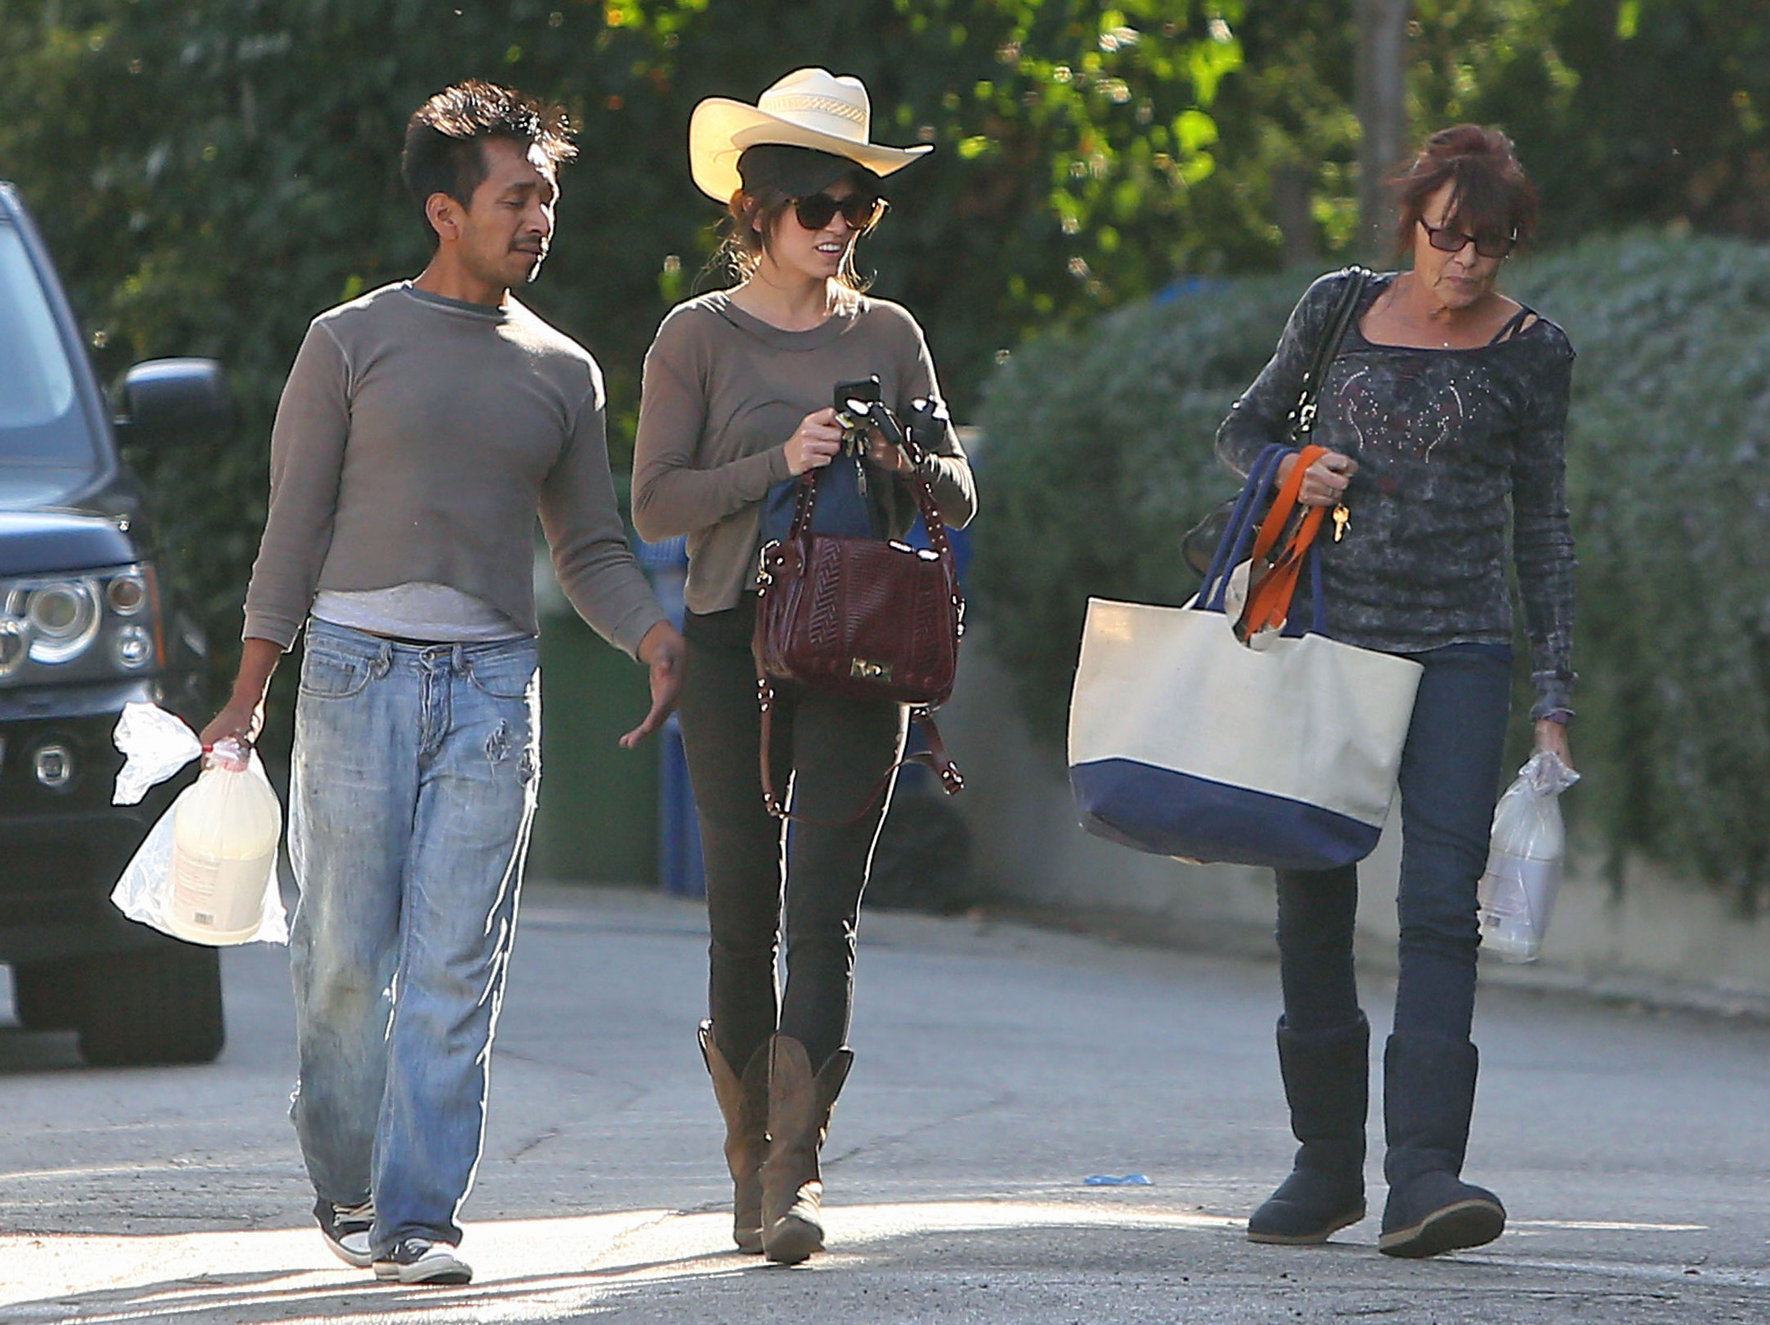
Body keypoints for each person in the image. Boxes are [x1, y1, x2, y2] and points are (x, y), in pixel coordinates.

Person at [200, 80, 683, 1286]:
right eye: (516, 198)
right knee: (342, 962)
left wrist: (652, 637)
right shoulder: (348, 342)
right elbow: (292, 531)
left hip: (491, 690)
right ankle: (347, 1175)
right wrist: (247, 694)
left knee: (457, 962)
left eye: (547, 198)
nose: (540, 219)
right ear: (445, 211)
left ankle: (418, 1215)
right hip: (352, 675)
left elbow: (591, 545)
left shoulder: (563, 371)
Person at [631, 68, 977, 1264]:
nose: (839, 228)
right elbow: (656, 502)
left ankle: (796, 1168)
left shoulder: (890, 334)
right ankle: (745, 1162)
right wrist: (778, 460)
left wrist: (906, 457)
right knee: (741, 907)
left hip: (862, 645)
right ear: (757, 208)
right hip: (735, 640)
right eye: (817, 206)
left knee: (823, 910)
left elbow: (961, 495)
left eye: (857, 209)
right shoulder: (696, 336)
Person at [1216, 125, 1575, 1258]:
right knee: (1313, 894)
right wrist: (1291, 466)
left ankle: (1423, 1173)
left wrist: (1554, 696)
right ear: (1412, 222)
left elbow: (1544, 527)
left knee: (1438, 907)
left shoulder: (1534, 352)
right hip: (1327, 637)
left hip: (1461, 649)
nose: (1465, 261)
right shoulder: (1337, 307)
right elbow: (1243, 429)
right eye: (1447, 236)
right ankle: (1324, 1165)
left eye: (1490, 244)